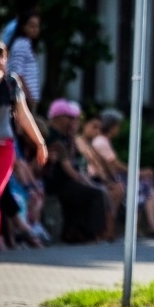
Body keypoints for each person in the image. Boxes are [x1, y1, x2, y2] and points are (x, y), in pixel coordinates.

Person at [0, 39, 48, 254]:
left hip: (3, 149)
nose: (0, 61)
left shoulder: (11, 83)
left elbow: (24, 115)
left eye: (2, 56)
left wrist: (40, 143)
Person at [92, 109, 154, 238]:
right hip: (110, 178)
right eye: (118, 126)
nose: (119, 129)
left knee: (146, 182)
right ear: (112, 126)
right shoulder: (101, 142)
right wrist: (139, 172)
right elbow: (116, 166)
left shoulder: (103, 141)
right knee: (145, 184)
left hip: (113, 177)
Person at [43, 99, 108, 243]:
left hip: (64, 182)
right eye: (69, 118)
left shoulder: (64, 136)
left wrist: (72, 137)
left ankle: (73, 232)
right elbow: (69, 170)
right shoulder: (53, 137)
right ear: (58, 117)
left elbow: (71, 158)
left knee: (85, 192)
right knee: (95, 194)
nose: (72, 122)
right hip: (56, 183)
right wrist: (84, 181)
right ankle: (91, 234)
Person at [5, 9, 42, 111]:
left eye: (37, 26)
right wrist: (27, 95)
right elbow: (17, 72)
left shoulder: (27, 45)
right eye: (32, 26)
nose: (35, 29)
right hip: (24, 97)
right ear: (23, 26)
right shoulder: (22, 44)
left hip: (27, 96)